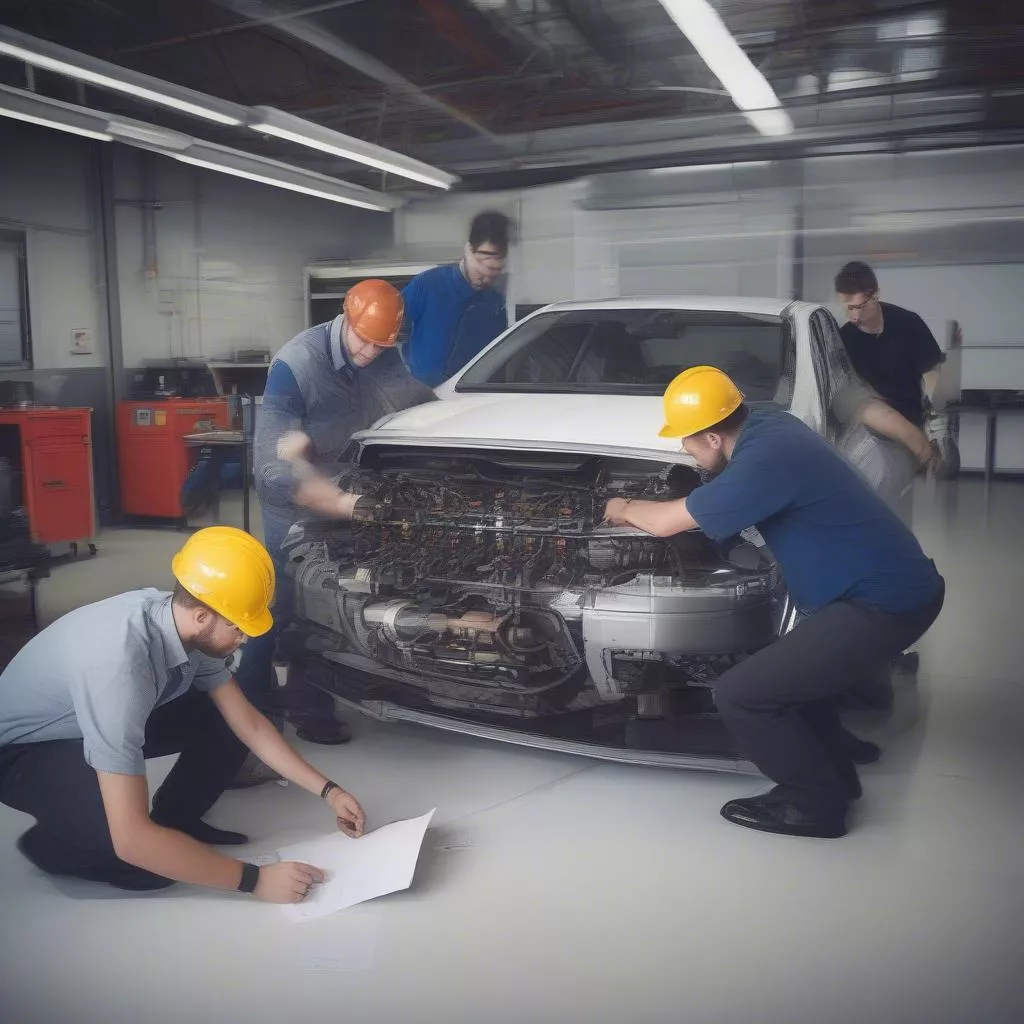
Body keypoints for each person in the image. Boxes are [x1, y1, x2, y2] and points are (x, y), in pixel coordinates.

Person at [603, 367, 944, 838]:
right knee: (789, 680)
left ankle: (814, 805)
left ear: (713, 437)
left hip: (884, 603)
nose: (683, 449)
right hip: (888, 586)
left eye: (687, 439)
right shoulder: (770, 424)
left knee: (743, 695)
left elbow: (662, 524)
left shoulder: (765, 461)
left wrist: (621, 508)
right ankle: (836, 777)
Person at [0, 527, 364, 899]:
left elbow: (250, 725)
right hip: (21, 751)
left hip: (87, 720)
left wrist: (330, 792)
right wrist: (255, 880)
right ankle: (51, 847)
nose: (245, 638)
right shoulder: (121, 667)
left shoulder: (183, 622)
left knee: (222, 720)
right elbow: (132, 839)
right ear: (203, 616)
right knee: (144, 862)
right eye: (238, 627)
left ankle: (175, 819)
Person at [233, 278, 433, 782]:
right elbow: (272, 469)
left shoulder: (382, 352)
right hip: (294, 499)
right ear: (346, 318)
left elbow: (414, 401)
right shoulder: (296, 365)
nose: (369, 354)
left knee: (335, 599)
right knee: (279, 607)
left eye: (380, 346)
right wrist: (339, 502)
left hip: (350, 492)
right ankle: (247, 729)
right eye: (363, 341)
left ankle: (310, 704)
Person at [834, 260, 946, 480]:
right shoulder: (843, 340)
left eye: (860, 306)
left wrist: (938, 423)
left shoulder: (908, 324)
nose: (854, 316)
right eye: (848, 308)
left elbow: (932, 374)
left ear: (876, 294)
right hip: (872, 428)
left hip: (911, 416)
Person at [401, 210, 512, 386]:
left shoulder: (495, 302)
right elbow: (391, 330)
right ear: (468, 250)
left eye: (493, 273)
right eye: (480, 271)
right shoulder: (428, 285)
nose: (485, 279)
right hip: (421, 392)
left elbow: (495, 357)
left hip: (469, 395)